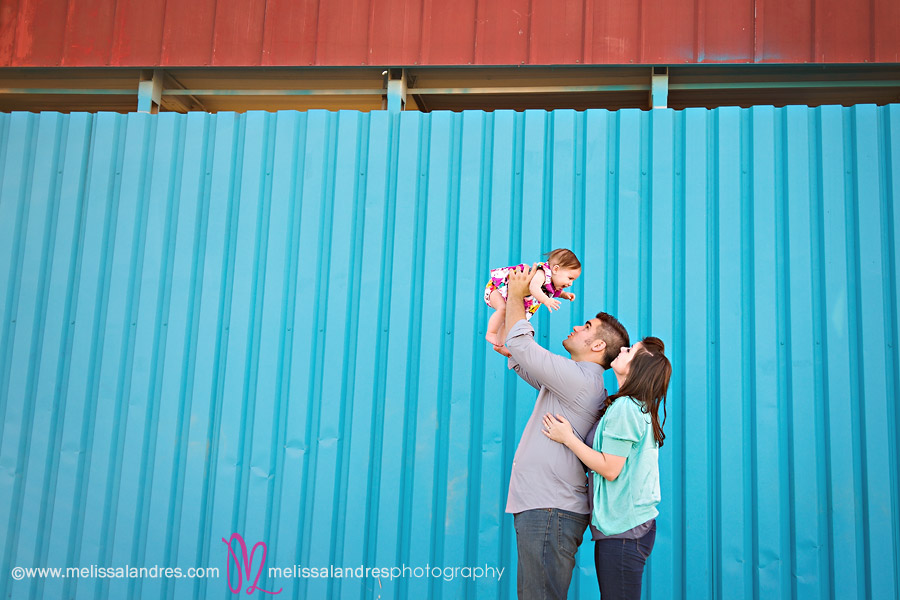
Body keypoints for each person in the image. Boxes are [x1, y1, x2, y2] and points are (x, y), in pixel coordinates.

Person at [501, 264, 629, 600]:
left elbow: (522, 345)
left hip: (549, 510)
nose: (577, 326)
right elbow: (519, 355)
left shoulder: (580, 380)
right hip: (545, 508)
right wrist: (512, 337)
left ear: (599, 346)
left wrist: (517, 295)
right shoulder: (573, 379)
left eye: (587, 327)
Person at [541, 336, 672, 600]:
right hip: (628, 528)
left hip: (625, 529)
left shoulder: (625, 407)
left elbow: (610, 468)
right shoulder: (633, 406)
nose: (623, 349)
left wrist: (567, 438)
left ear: (639, 367)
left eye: (630, 350)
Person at [484, 248, 581, 346]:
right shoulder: (542, 273)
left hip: (508, 297)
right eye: (570, 278)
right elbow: (534, 287)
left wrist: (564, 295)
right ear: (555, 269)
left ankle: (499, 344)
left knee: (508, 320)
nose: (570, 283)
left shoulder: (552, 283)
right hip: (496, 289)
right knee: (503, 309)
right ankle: (491, 333)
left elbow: (554, 292)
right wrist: (546, 300)